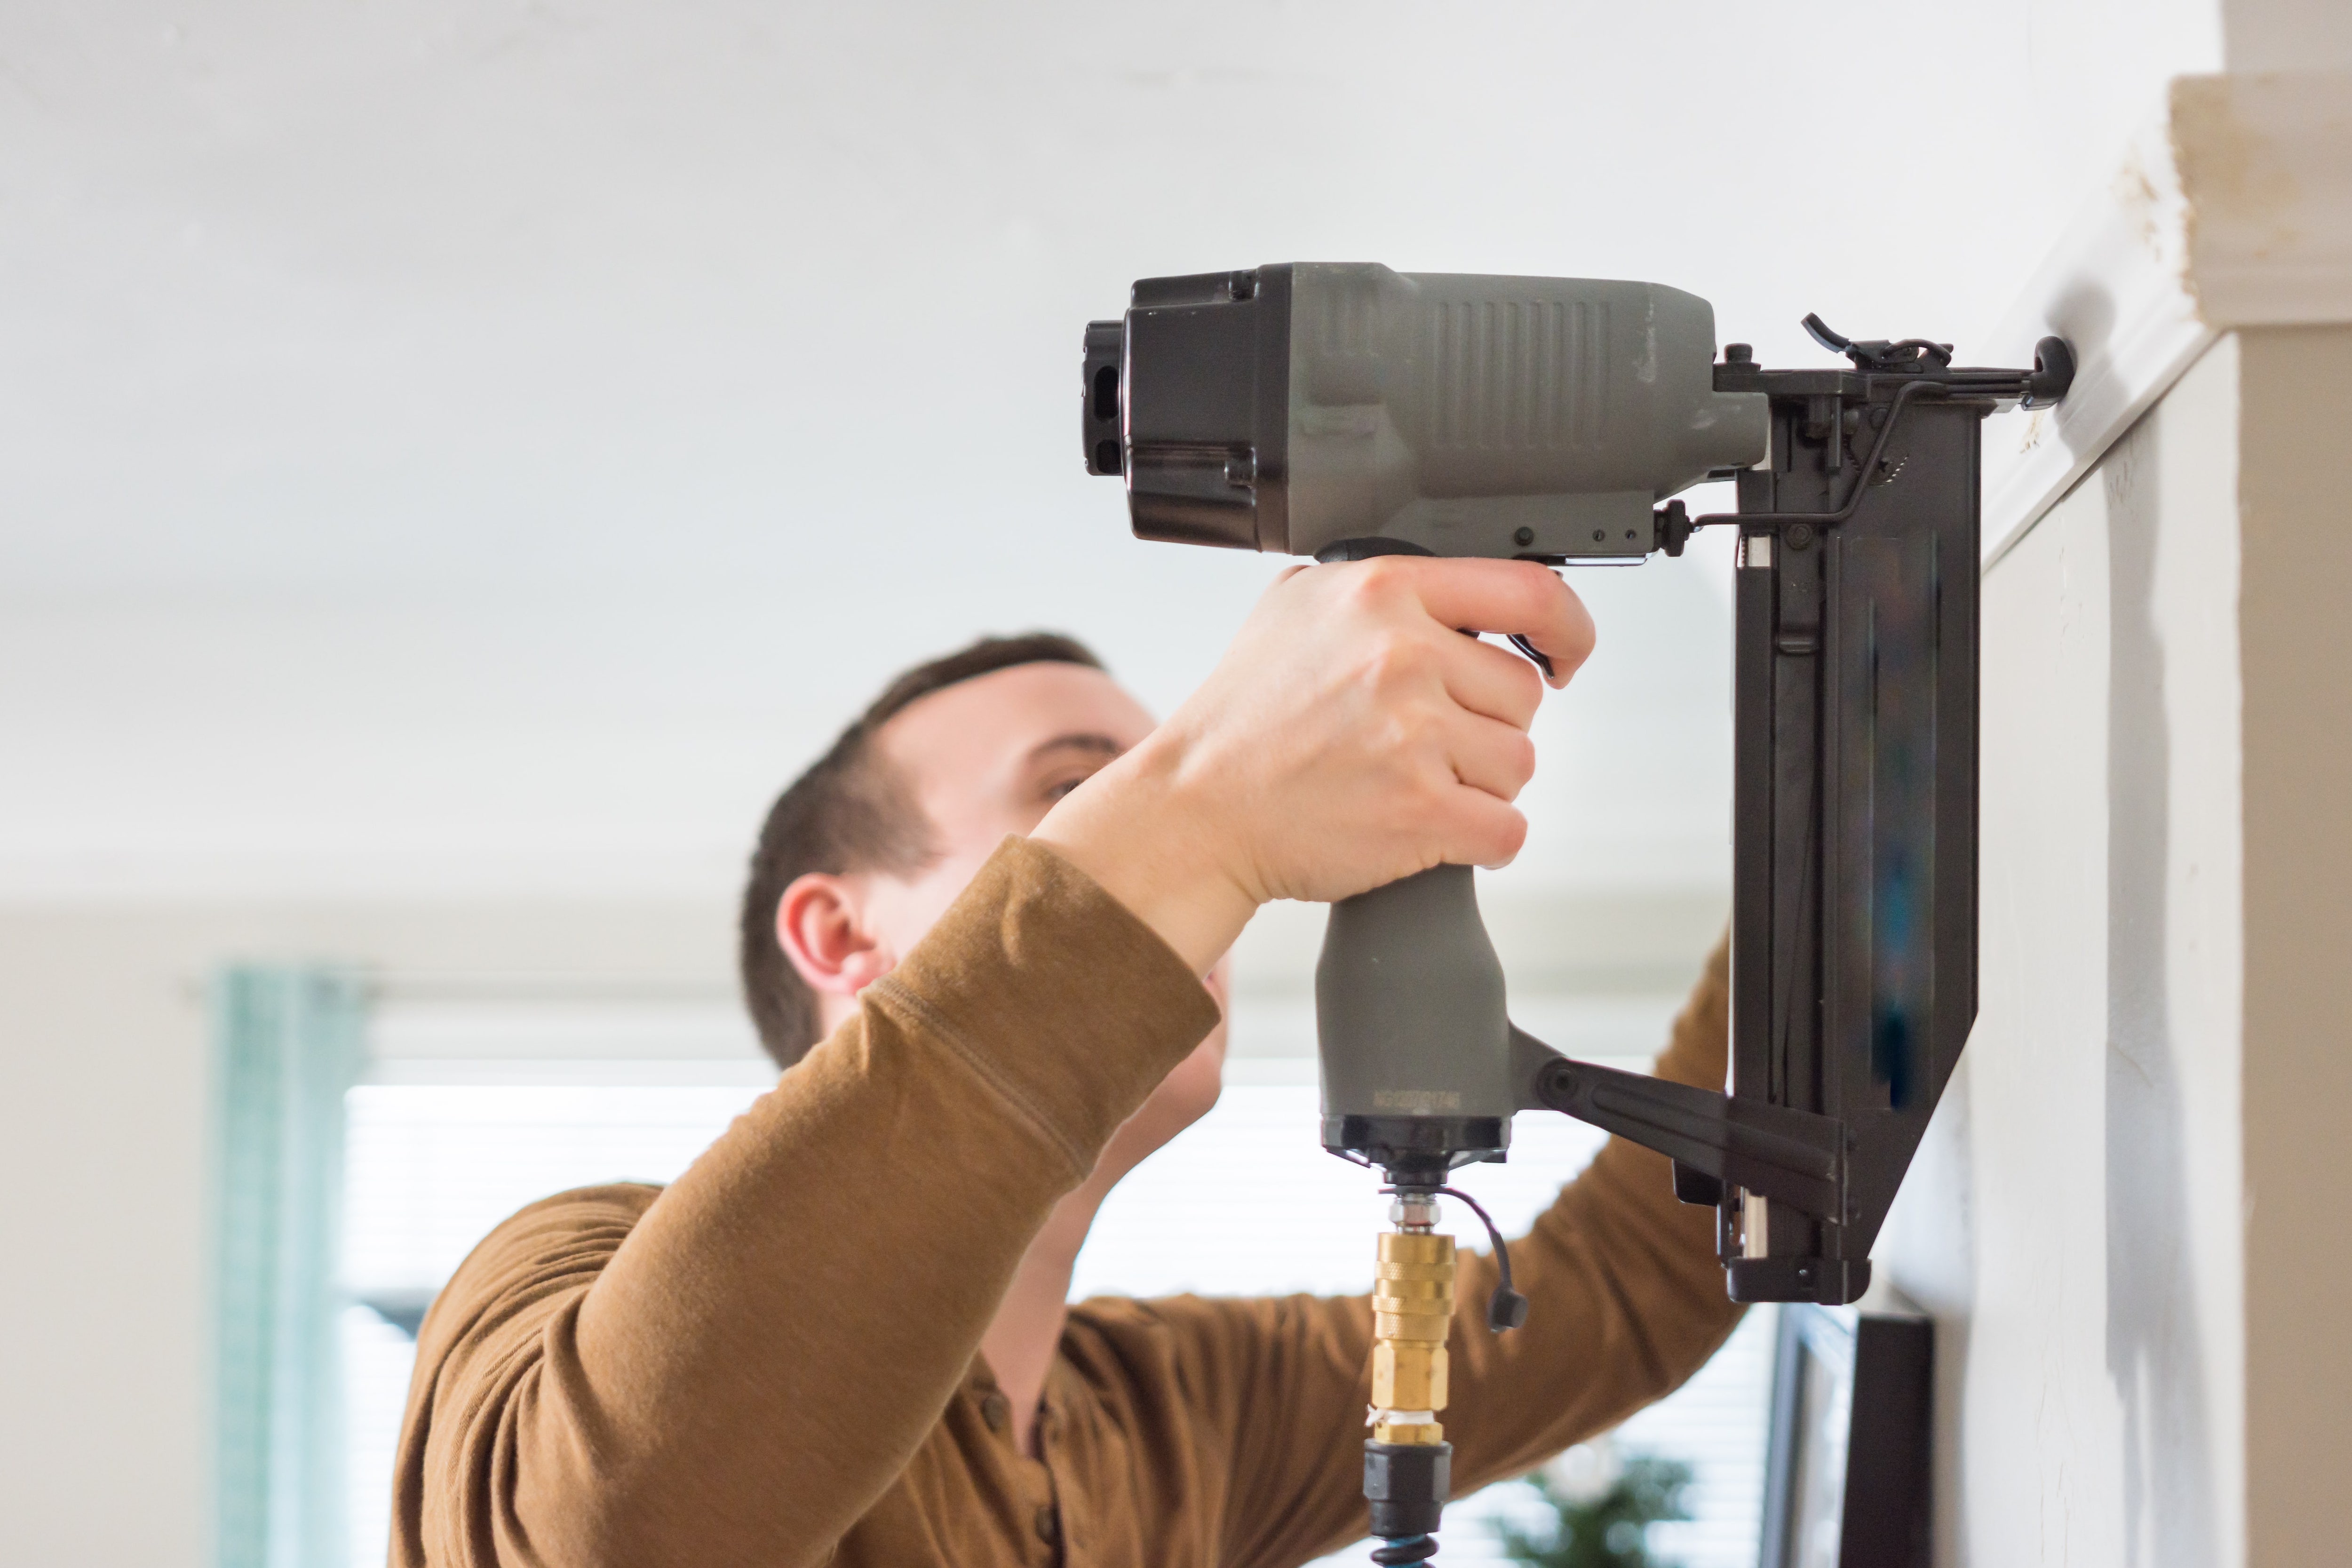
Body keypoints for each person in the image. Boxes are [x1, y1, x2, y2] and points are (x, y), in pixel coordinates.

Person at [391, 557, 1741, 1568]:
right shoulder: (559, 1280)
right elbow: (618, 1537)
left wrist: (1852, 773)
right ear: (839, 931)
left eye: (1147, 790)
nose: (1171, 854)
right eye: (1079, 795)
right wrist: (1199, 813)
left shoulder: (1174, 1416)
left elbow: (1631, 1284)